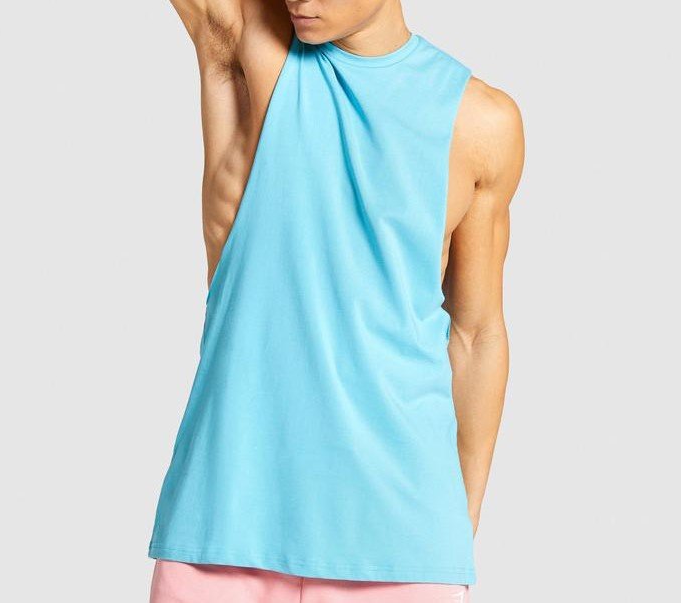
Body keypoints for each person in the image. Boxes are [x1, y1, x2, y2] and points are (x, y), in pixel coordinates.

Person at [148, 0, 524, 600]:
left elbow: (477, 333)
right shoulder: (248, 41)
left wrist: (458, 525)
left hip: (403, 543)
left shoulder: (480, 123)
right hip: (221, 524)